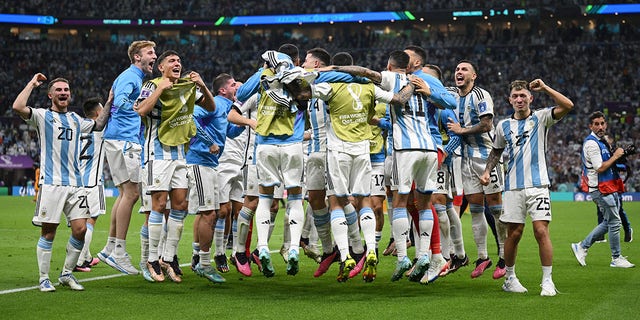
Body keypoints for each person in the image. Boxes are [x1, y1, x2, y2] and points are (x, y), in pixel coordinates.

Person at [13, 74, 109, 291]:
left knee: (80, 229)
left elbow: (99, 123)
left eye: (66, 90)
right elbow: (18, 106)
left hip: (76, 184)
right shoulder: (41, 116)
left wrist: (110, 100)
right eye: (59, 90)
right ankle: (44, 277)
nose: (63, 93)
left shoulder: (76, 119)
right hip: (52, 183)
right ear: (50, 95)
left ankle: (66, 273)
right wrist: (31, 84)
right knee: (49, 231)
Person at [481, 79, 574, 296]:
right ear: (510, 100)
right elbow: (496, 152)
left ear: (530, 98)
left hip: (538, 185)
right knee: (514, 234)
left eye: (523, 95)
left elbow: (568, 105)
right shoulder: (503, 125)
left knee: (541, 231)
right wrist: (487, 171)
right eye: (515, 96)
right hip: (512, 187)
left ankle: (547, 281)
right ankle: (510, 278)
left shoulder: (541, 118)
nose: (519, 99)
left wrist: (545, 88)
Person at [135, 50, 216, 282]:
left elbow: (210, 107)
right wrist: (161, 89)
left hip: (180, 155)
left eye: (179, 60)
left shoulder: (186, 86)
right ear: (161, 67)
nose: (177, 63)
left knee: (180, 205)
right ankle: (152, 259)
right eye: (172, 61)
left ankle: (168, 258)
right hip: (157, 154)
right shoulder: (151, 85)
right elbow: (140, 110)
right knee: (158, 205)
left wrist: (202, 85)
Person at [98, 40, 157, 275]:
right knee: (132, 193)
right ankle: (119, 252)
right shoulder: (131, 77)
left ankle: (110, 247)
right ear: (137, 57)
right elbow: (121, 102)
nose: (154, 56)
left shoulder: (133, 77)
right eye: (150, 53)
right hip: (124, 139)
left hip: (119, 138)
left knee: (125, 193)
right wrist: (141, 107)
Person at [447, 59, 507, 279]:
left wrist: (461, 131)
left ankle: (503, 256)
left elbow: (486, 125)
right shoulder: (451, 93)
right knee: (475, 209)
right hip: (465, 159)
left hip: (486, 157)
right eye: (456, 69)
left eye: (464, 70)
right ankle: (483, 257)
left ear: (474, 76)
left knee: (496, 208)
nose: (459, 72)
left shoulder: (481, 95)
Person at [187, 73, 245, 284]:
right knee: (209, 214)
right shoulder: (217, 103)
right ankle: (201, 262)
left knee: (212, 214)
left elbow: (229, 132)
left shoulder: (225, 107)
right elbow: (192, 117)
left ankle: (201, 261)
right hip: (199, 161)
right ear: (222, 90)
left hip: (211, 164)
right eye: (232, 84)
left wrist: (244, 123)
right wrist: (209, 141)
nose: (236, 86)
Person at [571, 111, 635, 269]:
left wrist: (622, 154)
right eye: (596, 124)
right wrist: (616, 155)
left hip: (609, 186)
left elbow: (609, 162)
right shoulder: (592, 143)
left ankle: (582, 246)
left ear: (605, 124)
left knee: (609, 222)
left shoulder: (602, 142)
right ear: (590, 126)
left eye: (602, 123)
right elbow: (600, 167)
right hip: (601, 189)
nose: (600, 127)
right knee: (614, 222)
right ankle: (616, 257)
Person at [74, 97, 108, 272]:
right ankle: (79, 261)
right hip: (92, 182)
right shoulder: (100, 130)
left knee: (79, 222)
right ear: (97, 113)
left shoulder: (77, 127)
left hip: (76, 181)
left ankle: (86, 256)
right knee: (90, 221)